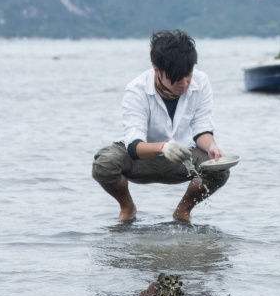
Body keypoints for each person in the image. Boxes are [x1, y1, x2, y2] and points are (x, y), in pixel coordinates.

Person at [92, 29, 229, 223]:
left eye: (188, 74)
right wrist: (163, 147)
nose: (184, 83)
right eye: (176, 77)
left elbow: (201, 128)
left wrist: (212, 146)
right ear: (157, 69)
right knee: (103, 164)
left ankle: (183, 211)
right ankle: (127, 207)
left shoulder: (201, 82)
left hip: (184, 156)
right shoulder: (136, 89)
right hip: (141, 158)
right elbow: (134, 145)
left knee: (219, 169)